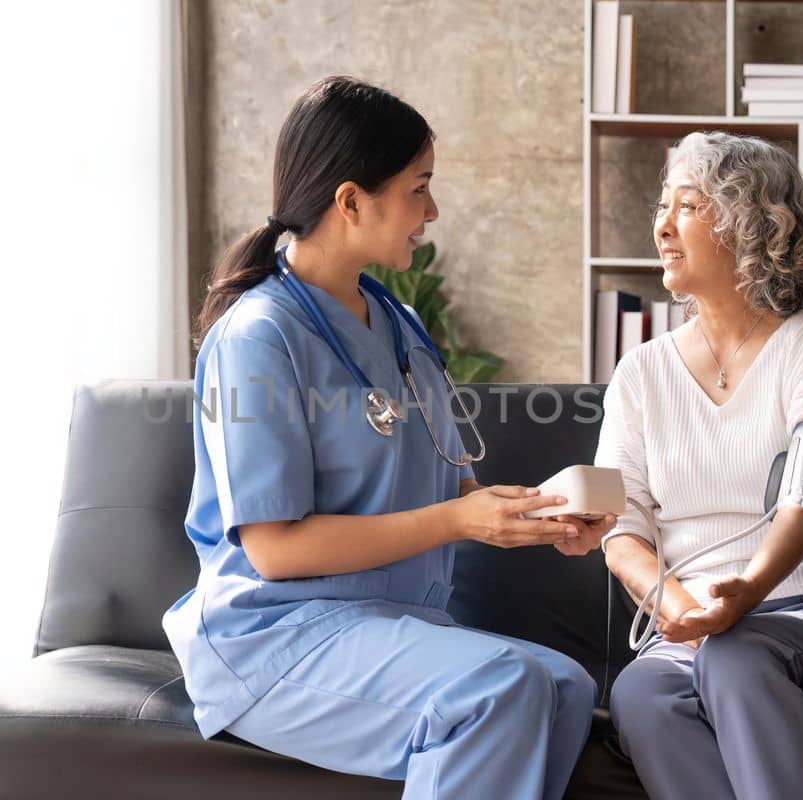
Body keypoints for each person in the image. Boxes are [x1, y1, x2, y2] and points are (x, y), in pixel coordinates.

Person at [161, 75, 597, 800]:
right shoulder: (257, 338)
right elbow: (274, 550)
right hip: (275, 638)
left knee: (565, 685)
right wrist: (459, 519)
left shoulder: (400, 323)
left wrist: (534, 518)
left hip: (386, 626)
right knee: (497, 688)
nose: (432, 209)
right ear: (352, 200)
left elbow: (447, 484)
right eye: (418, 187)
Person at [595, 130, 803, 799]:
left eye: (686, 206)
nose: (662, 225)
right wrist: (684, 611)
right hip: (695, 626)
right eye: (663, 207)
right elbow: (622, 530)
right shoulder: (640, 372)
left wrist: (746, 597)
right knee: (641, 692)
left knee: (739, 656)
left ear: (749, 224)